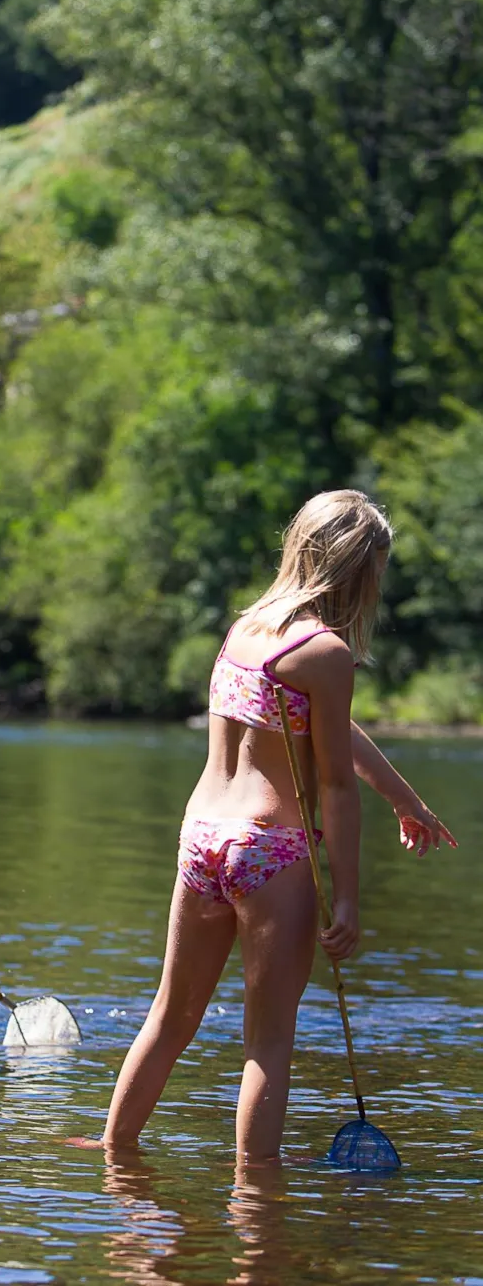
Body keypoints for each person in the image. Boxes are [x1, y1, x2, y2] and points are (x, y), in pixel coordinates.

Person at [103, 489, 457, 1161]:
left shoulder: (248, 628)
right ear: (354, 570)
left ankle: (115, 1155)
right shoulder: (325, 652)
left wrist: (405, 797)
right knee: (268, 1039)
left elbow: (328, 728)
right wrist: (347, 895)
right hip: (270, 848)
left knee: (171, 1015)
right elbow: (333, 783)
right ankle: (258, 1206)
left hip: (202, 835)